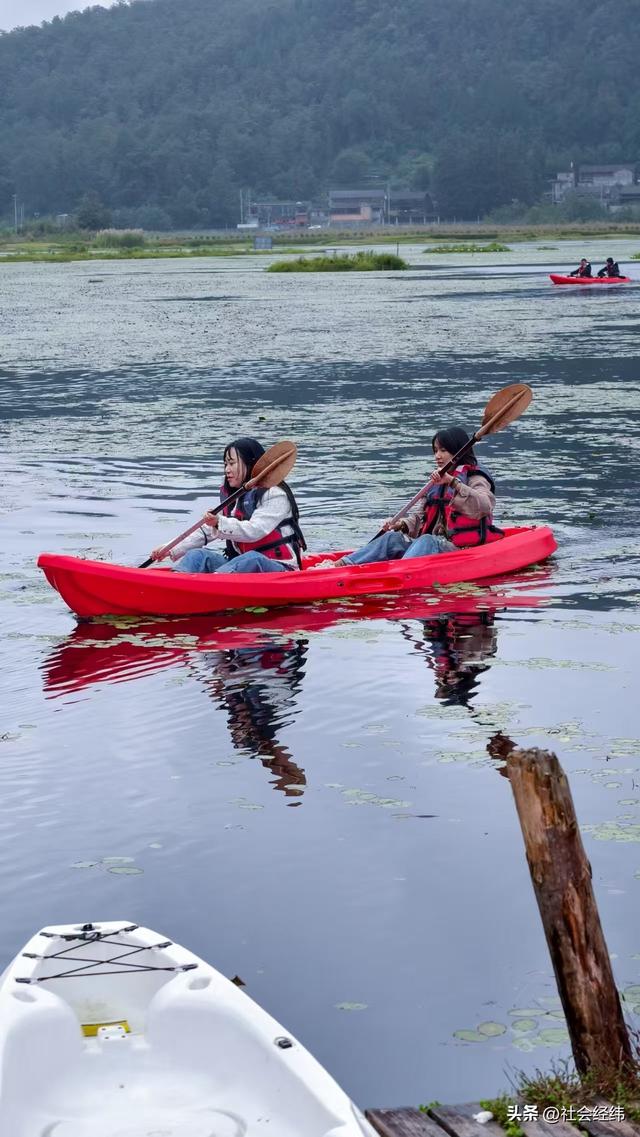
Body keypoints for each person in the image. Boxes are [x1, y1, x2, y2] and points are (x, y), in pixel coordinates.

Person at [335, 427, 503, 567]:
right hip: (432, 546)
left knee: (428, 539)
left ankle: (399, 572)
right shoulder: (436, 483)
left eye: (443, 450)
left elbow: (484, 505)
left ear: (457, 451)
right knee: (392, 538)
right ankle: (343, 565)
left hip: (460, 549)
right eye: (435, 450)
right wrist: (399, 524)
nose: (437, 455)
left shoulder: (475, 478)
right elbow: (420, 519)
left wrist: (453, 482)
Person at [151, 437, 305, 573]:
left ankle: (211, 585)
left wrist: (219, 522)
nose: (227, 470)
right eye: (225, 464)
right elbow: (206, 531)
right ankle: (178, 581)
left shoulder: (275, 494)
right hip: (240, 566)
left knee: (251, 559)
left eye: (231, 463)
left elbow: (255, 530)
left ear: (250, 463)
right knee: (197, 555)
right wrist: (170, 548)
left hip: (280, 568)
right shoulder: (236, 496)